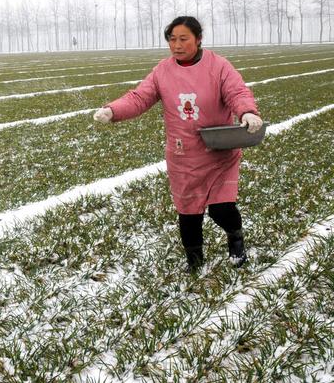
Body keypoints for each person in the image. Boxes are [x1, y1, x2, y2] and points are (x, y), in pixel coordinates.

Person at [94, 16, 263, 273]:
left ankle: (235, 239)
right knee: (189, 213)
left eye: (183, 38)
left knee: (221, 208)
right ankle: (194, 262)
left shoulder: (218, 67)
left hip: (219, 152)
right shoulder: (163, 71)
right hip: (183, 154)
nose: (177, 45)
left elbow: (237, 92)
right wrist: (112, 110)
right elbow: (140, 97)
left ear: (198, 39)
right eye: (172, 39)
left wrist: (247, 112)